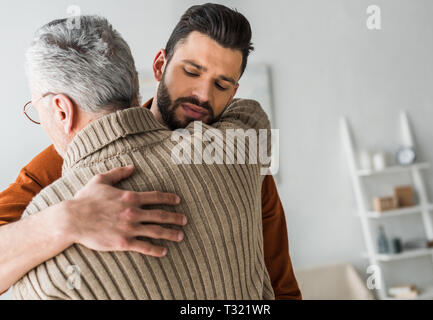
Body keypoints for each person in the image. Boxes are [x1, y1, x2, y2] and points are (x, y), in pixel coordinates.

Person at [0, 3, 301, 299]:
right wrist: (68, 219)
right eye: (192, 72)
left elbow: (280, 282)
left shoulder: (234, 158)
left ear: (233, 91)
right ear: (159, 66)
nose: (203, 96)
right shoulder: (54, 167)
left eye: (221, 84)